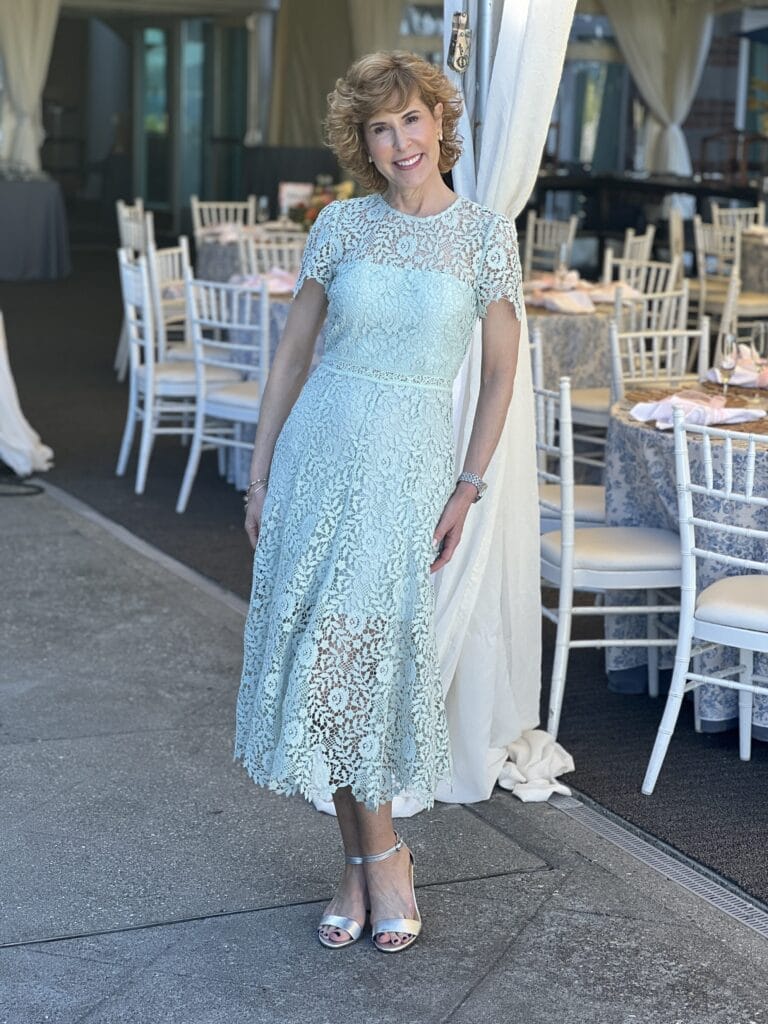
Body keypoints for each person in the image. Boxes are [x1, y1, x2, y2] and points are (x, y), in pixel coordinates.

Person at [235, 50, 522, 954]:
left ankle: (382, 857)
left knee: (358, 657)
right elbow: (290, 356)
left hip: (407, 465)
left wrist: (468, 488)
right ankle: (365, 863)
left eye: (411, 120)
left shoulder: (485, 235)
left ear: (440, 122)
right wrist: (260, 470)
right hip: (319, 448)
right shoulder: (341, 225)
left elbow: (504, 374)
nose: (399, 141)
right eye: (379, 127)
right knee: (325, 663)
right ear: (361, 142)